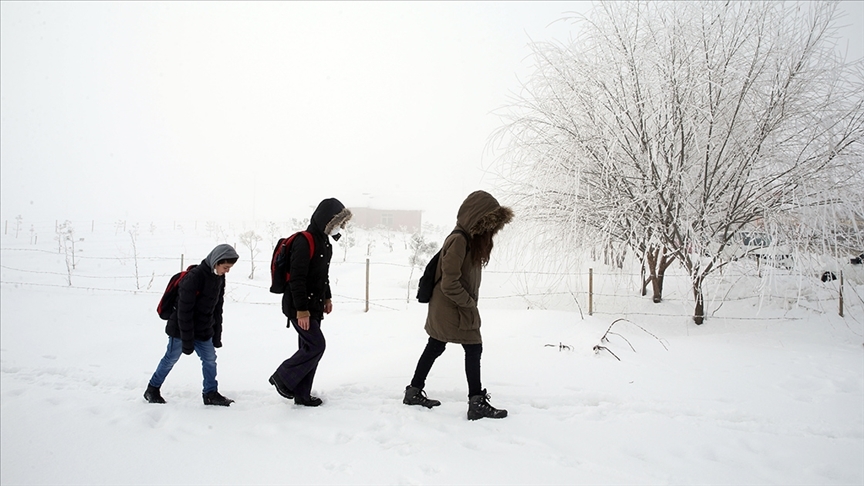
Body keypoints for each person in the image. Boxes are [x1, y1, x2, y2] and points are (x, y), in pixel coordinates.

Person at [403, 190, 513, 420]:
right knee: (473, 348)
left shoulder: (468, 240)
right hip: (451, 307)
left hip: (452, 307)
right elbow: (449, 282)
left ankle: (413, 390)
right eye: (488, 224)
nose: (490, 231)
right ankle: (476, 403)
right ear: (477, 219)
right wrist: (469, 303)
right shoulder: (459, 240)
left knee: (436, 346)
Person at [269, 198, 352, 407]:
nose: (338, 228)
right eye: (336, 223)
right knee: (316, 345)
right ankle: (283, 377)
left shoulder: (325, 242)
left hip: (314, 304)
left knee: (309, 347)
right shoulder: (304, 241)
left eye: (340, 224)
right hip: (299, 306)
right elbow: (297, 279)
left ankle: (302, 395)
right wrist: (302, 311)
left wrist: (327, 297)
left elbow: (322, 275)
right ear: (325, 220)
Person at [144, 244, 239, 406]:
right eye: (225, 267)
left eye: (229, 268)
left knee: (210, 359)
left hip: (204, 329)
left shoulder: (219, 278)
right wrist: (187, 340)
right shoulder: (194, 278)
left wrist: (216, 334)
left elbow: (217, 308)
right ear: (216, 262)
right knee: (170, 359)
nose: (227, 271)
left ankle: (210, 393)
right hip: (181, 328)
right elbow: (184, 311)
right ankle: (152, 389)